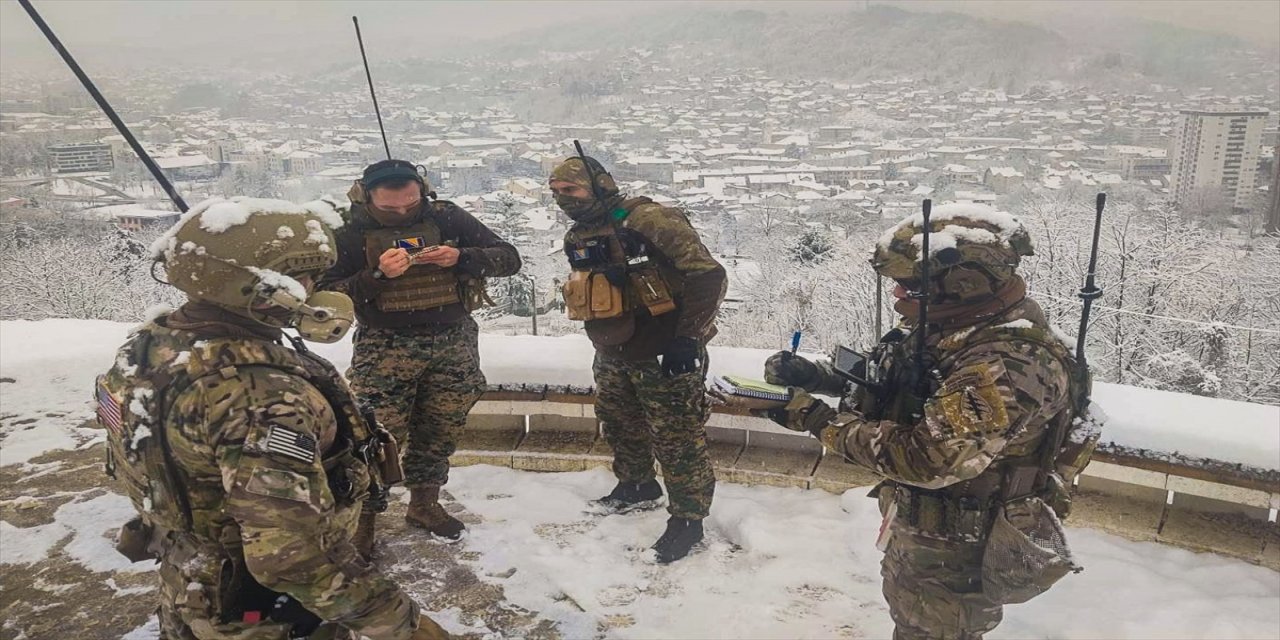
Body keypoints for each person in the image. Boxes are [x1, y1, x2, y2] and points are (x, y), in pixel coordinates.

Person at [97, 197, 447, 639]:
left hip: (192, 577)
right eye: (303, 276)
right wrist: (399, 623)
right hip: (262, 610)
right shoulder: (262, 399)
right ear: (256, 288)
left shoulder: (152, 345)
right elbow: (290, 556)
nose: (313, 287)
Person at [753, 206, 1088, 639]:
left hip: (959, 550)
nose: (896, 293)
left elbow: (927, 458)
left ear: (961, 285)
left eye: (909, 285)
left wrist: (819, 421)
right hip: (928, 534)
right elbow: (891, 379)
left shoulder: (1004, 364)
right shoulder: (955, 328)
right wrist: (816, 376)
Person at [319, 160, 521, 543]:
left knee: (440, 429)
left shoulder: (444, 216)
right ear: (366, 196)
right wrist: (376, 276)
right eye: (390, 208)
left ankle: (424, 503)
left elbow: (509, 259)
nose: (403, 213)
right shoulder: (347, 229)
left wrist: (461, 257)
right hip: (384, 348)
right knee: (372, 438)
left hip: (453, 342)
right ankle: (362, 521)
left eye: (410, 204)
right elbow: (326, 298)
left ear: (422, 191)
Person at [549, 153, 727, 563]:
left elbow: (708, 275)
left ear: (600, 186)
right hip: (614, 346)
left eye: (571, 190)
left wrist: (688, 338)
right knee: (619, 421)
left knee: (677, 436)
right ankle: (636, 484)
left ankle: (688, 518)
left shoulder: (650, 221)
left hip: (666, 349)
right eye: (556, 192)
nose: (564, 199)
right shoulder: (578, 235)